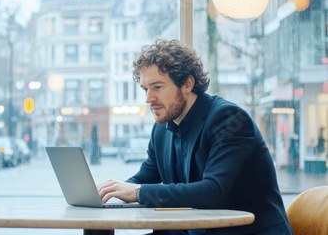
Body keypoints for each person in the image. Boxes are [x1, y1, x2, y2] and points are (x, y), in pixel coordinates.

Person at [97, 39, 292, 235]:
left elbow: (213, 191)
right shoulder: (161, 129)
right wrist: (109, 194)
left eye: (157, 87)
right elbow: (142, 179)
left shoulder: (229, 119)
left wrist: (138, 193)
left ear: (187, 84)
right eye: (145, 89)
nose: (148, 99)